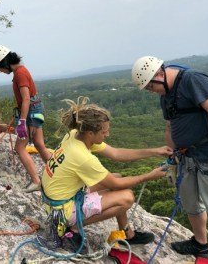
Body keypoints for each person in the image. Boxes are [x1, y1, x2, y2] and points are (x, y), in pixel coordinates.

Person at [131, 56, 208, 264]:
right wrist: (173, 157)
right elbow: (170, 126)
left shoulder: (192, 80)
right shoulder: (166, 94)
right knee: (190, 202)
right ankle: (200, 244)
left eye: (149, 86)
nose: (150, 91)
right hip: (186, 155)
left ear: (160, 74)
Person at [41, 97, 172, 251]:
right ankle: (72, 228)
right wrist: (149, 176)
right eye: (104, 132)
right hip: (62, 211)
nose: (107, 134)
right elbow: (116, 185)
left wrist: (155, 151)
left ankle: (127, 234)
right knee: (126, 198)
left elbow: (116, 154)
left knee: (116, 176)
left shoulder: (75, 135)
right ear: (91, 133)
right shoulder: (83, 157)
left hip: (57, 199)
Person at [0, 45, 52, 192]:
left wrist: (22, 121)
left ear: (4, 62)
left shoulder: (20, 74)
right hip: (34, 110)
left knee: (20, 147)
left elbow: (26, 99)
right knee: (40, 145)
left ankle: (36, 181)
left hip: (30, 112)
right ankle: (58, 175)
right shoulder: (20, 71)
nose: (1, 71)